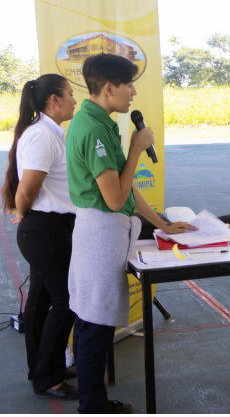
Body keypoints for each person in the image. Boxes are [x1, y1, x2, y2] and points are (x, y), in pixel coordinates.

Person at [66, 53, 196, 414]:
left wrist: (163, 224)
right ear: (109, 88)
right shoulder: (93, 129)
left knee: (96, 320)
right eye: (128, 85)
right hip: (100, 232)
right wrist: (138, 148)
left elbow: (128, 189)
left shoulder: (100, 121)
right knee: (94, 324)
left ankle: (94, 400)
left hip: (106, 230)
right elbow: (114, 197)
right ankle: (92, 405)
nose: (134, 92)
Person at [1, 75, 78, 400]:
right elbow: (27, 189)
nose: (74, 100)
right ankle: (49, 377)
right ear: (54, 101)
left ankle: (41, 369)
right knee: (66, 302)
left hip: (51, 229)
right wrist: (22, 212)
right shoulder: (42, 136)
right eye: (70, 94)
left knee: (40, 303)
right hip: (45, 231)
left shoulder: (50, 133)